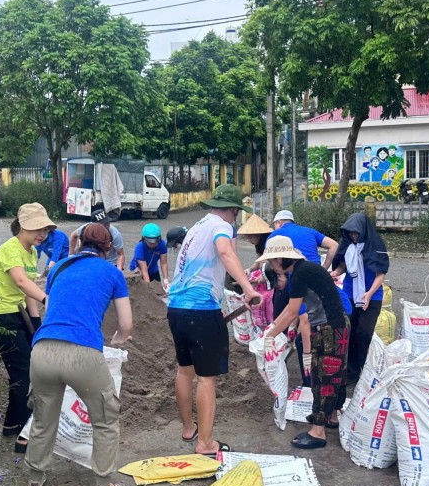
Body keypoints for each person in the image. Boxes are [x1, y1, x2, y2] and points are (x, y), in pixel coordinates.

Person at [25, 222, 133, 486]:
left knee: (43, 416)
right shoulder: (112, 272)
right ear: (107, 247)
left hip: (43, 349)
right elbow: (126, 324)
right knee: (105, 419)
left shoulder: (58, 268)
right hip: (83, 354)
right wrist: (119, 339)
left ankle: (35, 479)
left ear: (79, 241)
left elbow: (57, 303)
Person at [167, 184, 261, 456]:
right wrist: (248, 288)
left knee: (185, 370)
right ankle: (205, 443)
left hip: (176, 308)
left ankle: (188, 428)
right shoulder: (222, 226)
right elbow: (224, 251)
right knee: (206, 378)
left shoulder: (196, 227)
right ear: (232, 209)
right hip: (200, 310)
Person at [258, 236, 350, 449]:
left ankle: (318, 432)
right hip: (332, 325)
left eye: (273, 260)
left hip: (331, 328)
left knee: (325, 376)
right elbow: (297, 313)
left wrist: (270, 335)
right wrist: (275, 331)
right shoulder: (302, 271)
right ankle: (331, 416)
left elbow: (291, 311)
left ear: (282, 258)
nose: (272, 265)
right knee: (331, 374)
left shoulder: (301, 273)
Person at [0, 203, 56, 453]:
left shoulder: (32, 252)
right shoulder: (11, 249)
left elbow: (28, 294)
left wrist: (36, 323)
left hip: (18, 312)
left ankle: (13, 425)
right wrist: (49, 299)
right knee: (23, 371)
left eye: (44, 229)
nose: (41, 234)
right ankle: (23, 431)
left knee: (26, 369)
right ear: (22, 226)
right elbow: (22, 282)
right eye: (37, 228)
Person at [331, 213, 389, 381]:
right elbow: (342, 265)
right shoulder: (348, 245)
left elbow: (380, 274)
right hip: (350, 294)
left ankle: (366, 369)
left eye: (356, 233)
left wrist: (369, 294)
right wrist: (335, 273)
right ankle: (351, 371)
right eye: (351, 233)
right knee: (349, 332)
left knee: (364, 332)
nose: (353, 236)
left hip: (372, 295)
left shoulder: (375, 245)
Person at [268, 210, 339, 268]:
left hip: (292, 276)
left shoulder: (274, 236)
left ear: (279, 223)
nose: (274, 229)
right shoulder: (310, 231)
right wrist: (324, 269)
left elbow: (268, 260)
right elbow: (334, 245)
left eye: (274, 225)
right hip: (316, 272)